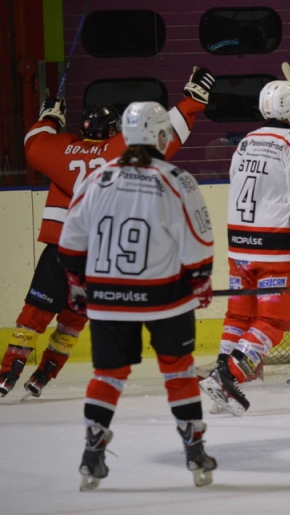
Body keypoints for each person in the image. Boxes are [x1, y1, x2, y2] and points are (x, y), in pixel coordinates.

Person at [0, 67, 216, 399]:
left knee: (35, 312)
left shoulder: (58, 150)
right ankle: (44, 373)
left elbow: (32, 143)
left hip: (61, 251)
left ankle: (9, 371)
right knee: (74, 318)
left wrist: (50, 118)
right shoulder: (122, 150)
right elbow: (166, 134)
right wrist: (192, 100)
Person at [58, 101, 216, 491]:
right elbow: (198, 241)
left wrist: (78, 285)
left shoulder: (98, 178)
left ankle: (92, 451)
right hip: (164, 296)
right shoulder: (176, 178)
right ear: (161, 135)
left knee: (107, 375)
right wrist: (200, 281)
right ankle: (194, 449)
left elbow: (71, 242)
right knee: (178, 370)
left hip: (107, 297)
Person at [200, 75, 290, 417]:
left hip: (240, 248)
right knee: (273, 320)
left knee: (240, 314)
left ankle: (220, 374)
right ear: (289, 111)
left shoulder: (245, 143)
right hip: (275, 249)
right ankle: (228, 377)